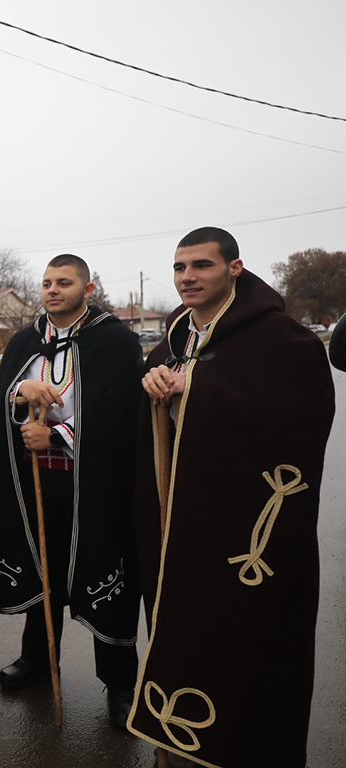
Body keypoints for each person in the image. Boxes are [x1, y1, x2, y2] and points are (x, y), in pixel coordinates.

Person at [130, 228, 334, 768]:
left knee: (248, 641)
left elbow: (297, 417)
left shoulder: (282, 339)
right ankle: (179, 741)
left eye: (201, 265)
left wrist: (193, 387)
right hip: (183, 523)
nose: (187, 278)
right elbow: (156, 405)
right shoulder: (174, 338)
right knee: (182, 628)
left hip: (245, 532)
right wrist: (155, 384)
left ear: (235, 269)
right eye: (179, 268)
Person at [0, 254, 142, 727]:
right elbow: (3, 400)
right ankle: (38, 659)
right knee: (43, 570)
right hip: (38, 477)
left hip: (94, 481)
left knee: (105, 570)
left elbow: (119, 413)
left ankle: (119, 683)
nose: (53, 290)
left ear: (88, 288)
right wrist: (22, 395)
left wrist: (55, 435)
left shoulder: (115, 340)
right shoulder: (24, 341)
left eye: (64, 282)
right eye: (47, 283)